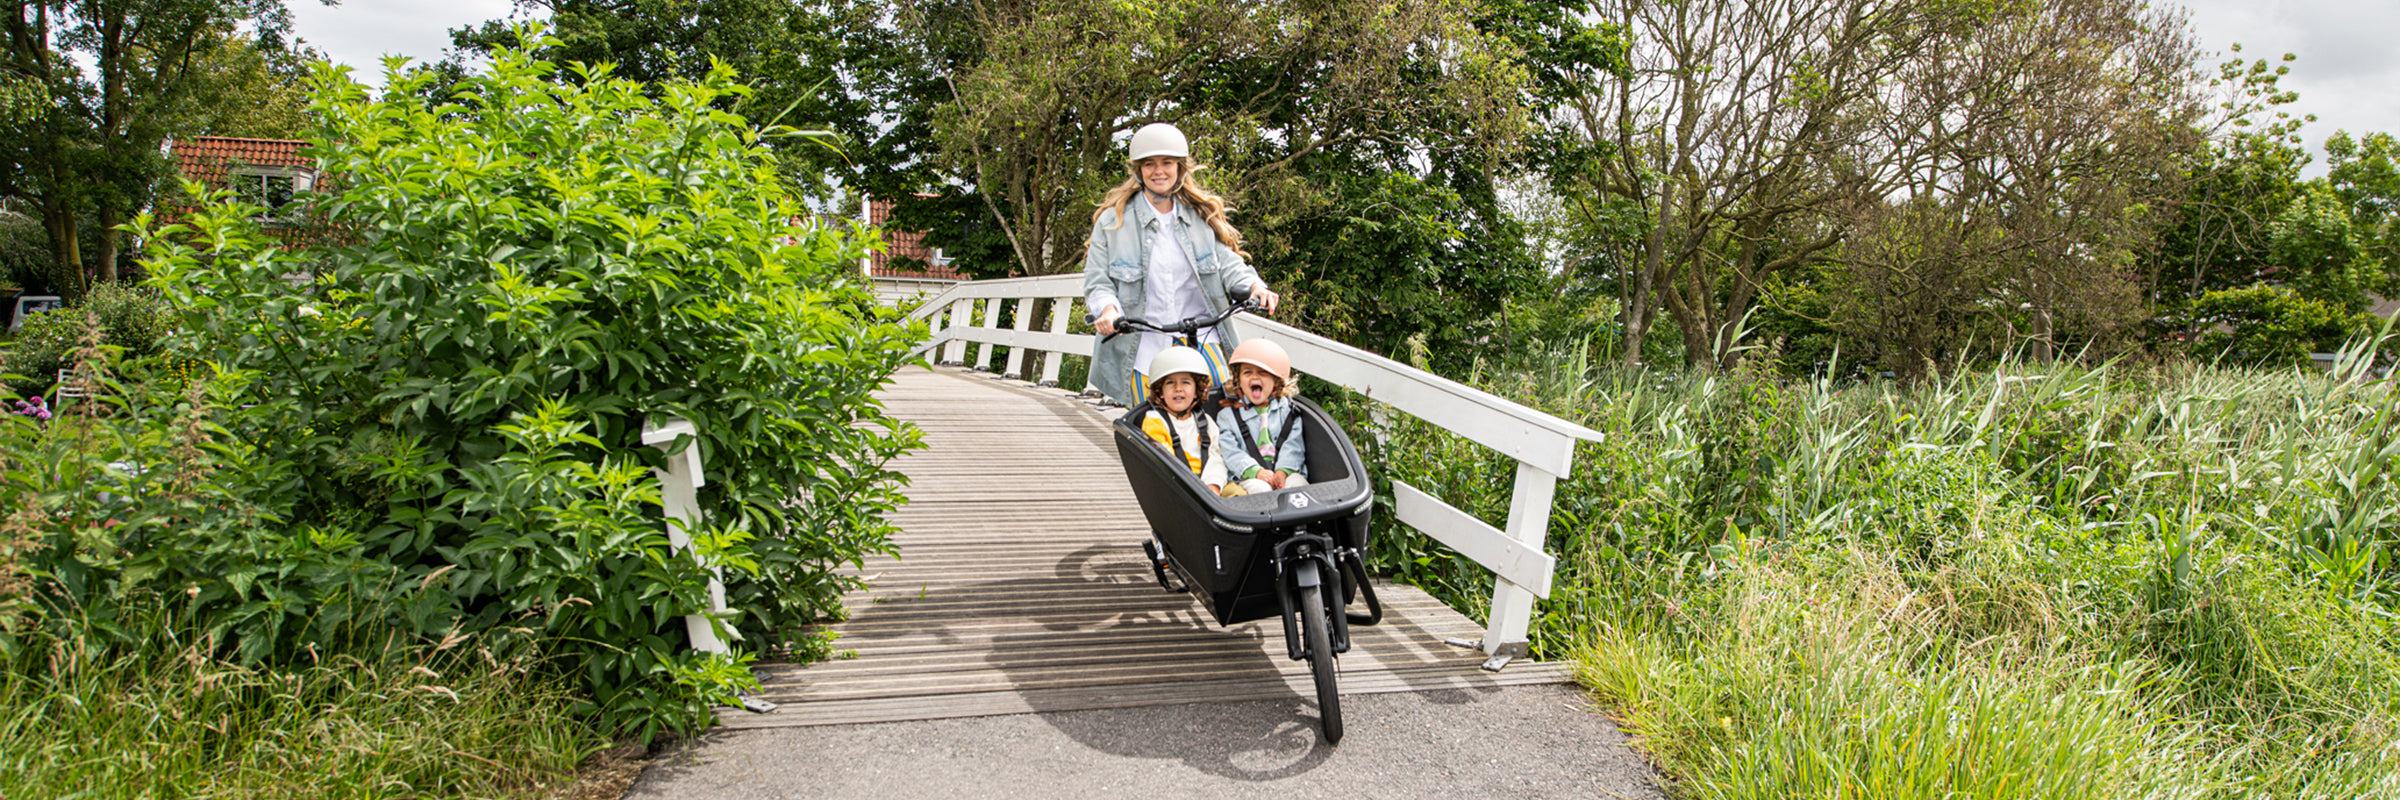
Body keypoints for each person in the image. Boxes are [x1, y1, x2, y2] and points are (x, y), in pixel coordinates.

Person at [1082, 122, 1281, 406]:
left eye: (1167, 163)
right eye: (1149, 164)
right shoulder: (1113, 221)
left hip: (1202, 336)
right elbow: (1097, 281)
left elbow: (1227, 263)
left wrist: (1253, 287)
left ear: (1180, 168)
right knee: (1151, 425)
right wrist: (1108, 310)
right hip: (1143, 343)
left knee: (1228, 408)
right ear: (1138, 170)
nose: (1158, 171)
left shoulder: (1200, 216)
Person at [1128, 346, 1243, 498]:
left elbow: (1217, 456)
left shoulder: (1206, 422)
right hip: (1177, 486)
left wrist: (1213, 485)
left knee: (1238, 494)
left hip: (1209, 481)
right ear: (1160, 392)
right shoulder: (1155, 420)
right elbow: (1162, 456)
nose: (1178, 388)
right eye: (1170, 383)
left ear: (1197, 390)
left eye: (1186, 383)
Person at [1216, 338, 1309, 495]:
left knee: (1299, 487)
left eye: (1263, 372)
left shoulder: (1287, 410)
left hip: (1285, 470)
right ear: (1238, 380)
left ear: (1276, 381)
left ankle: (1302, 520)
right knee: (1261, 491)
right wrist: (1256, 471)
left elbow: (1293, 444)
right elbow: (1230, 451)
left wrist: (1282, 471)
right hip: (1250, 475)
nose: (1255, 377)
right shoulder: (1227, 417)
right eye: (1247, 372)